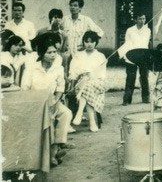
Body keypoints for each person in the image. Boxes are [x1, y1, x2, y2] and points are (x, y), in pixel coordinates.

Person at [21, 39, 74, 167]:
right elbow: (25, 88)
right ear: (41, 53)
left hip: (51, 101)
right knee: (48, 119)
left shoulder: (58, 68)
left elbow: (60, 88)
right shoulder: (32, 68)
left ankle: (55, 147)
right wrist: (37, 103)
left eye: (55, 52)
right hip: (34, 102)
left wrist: (55, 101)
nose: (53, 55)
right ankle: (49, 155)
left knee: (66, 113)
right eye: (49, 52)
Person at [69, 31, 107, 132]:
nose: (89, 44)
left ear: (96, 42)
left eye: (92, 42)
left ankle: (80, 112)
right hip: (82, 83)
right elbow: (73, 72)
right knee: (86, 85)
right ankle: (92, 122)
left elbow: (102, 75)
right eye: (87, 41)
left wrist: (91, 76)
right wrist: (83, 76)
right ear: (84, 42)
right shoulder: (78, 55)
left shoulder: (100, 56)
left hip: (97, 83)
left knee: (88, 85)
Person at [119, 13, 151, 105]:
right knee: (130, 78)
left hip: (143, 56)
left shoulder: (147, 30)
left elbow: (144, 44)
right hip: (131, 56)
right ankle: (127, 100)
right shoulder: (130, 30)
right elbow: (127, 43)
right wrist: (128, 55)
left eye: (144, 19)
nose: (142, 21)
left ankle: (146, 98)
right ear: (135, 20)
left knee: (144, 77)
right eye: (140, 19)